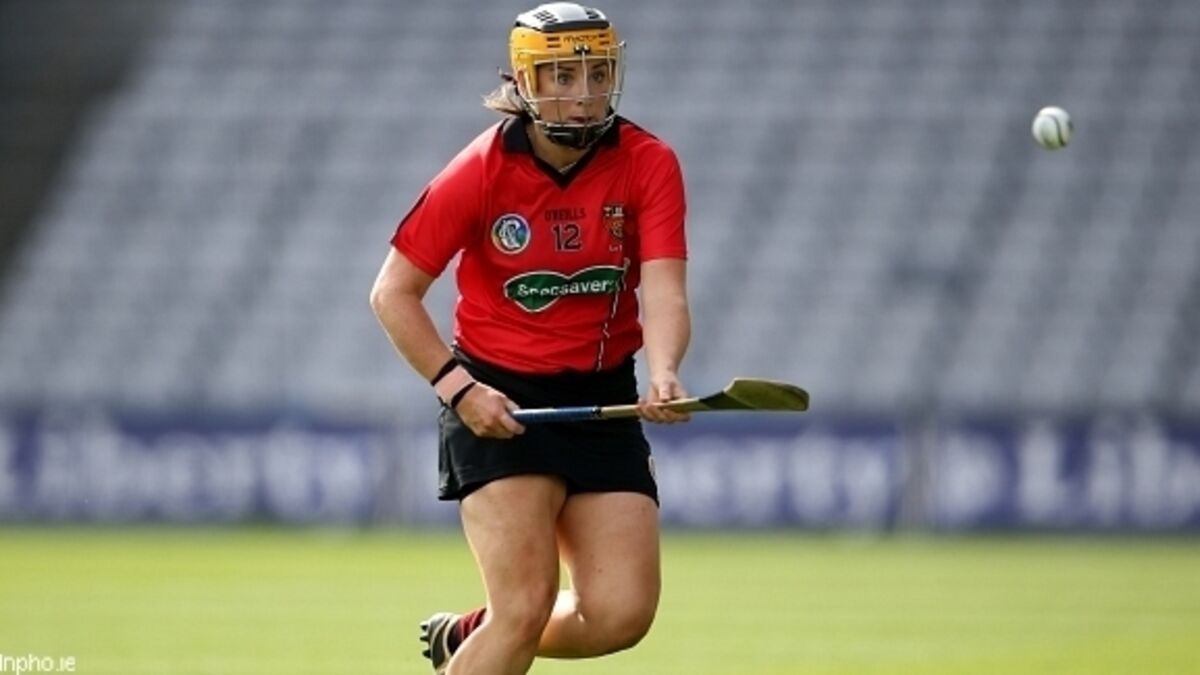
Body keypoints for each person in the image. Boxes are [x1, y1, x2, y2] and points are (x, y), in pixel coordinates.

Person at [369, 3, 691, 673]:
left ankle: (471, 635)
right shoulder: (481, 169)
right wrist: (461, 392)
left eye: (597, 74)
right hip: (499, 400)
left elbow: (664, 288)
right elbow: (393, 293)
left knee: (621, 614)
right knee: (524, 606)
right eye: (562, 77)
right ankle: (500, 628)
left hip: (603, 400)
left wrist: (664, 371)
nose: (584, 95)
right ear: (524, 81)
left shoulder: (648, 161)